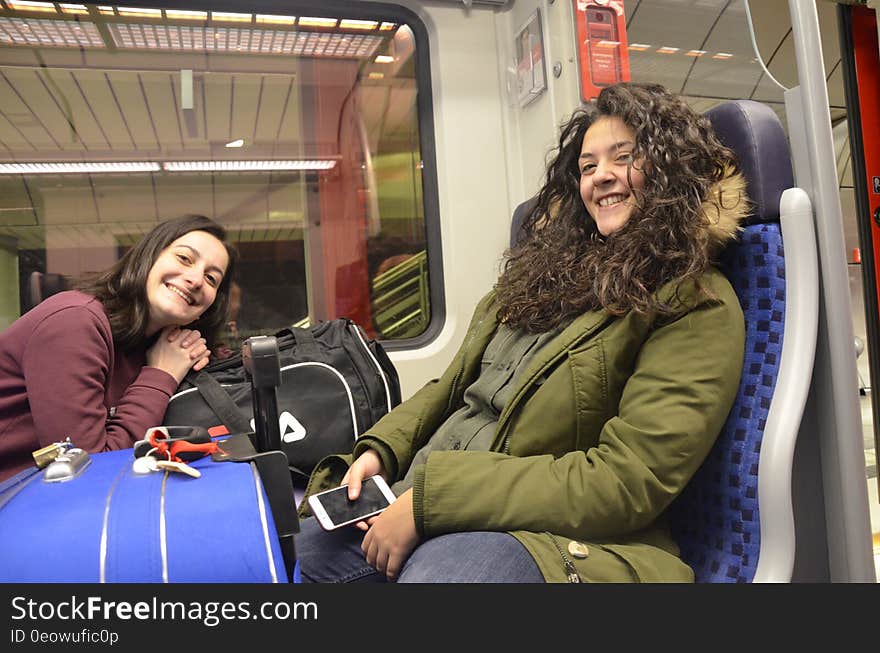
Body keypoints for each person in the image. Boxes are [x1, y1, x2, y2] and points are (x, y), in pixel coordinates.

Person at [295, 82, 749, 583]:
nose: (602, 177)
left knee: (444, 581)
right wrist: (382, 450)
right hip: (446, 497)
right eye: (588, 166)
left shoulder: (693, 301)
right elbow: (449, 391)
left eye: (624, 157)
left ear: (671, 170)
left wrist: (432, 500)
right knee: (312, 549)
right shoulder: (542, 279)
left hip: (569, 536)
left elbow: (625, 482)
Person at [0, 215, 238, 482]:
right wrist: (160, 376)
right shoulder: (74, 322)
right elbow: (90, 467)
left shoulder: (162, 346)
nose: (195, 280)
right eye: (184, 258)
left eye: (211, 278)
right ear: (146, 258)